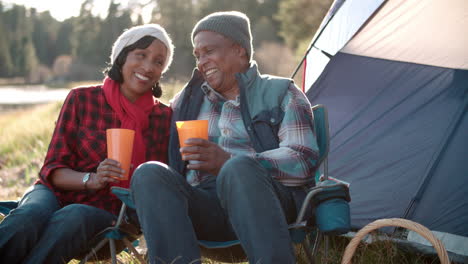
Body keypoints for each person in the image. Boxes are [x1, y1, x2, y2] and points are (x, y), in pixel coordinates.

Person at [131, 11, 319, 264]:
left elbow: (303, 158)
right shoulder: (186, 102)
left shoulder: (281, 93)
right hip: (205, 208)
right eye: (198, 55)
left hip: (267, 203)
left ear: (239, 50)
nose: (202, 61)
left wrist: (228, 161)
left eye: (209, 51)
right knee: (149, 172)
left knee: (237, 168)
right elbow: (143, 118)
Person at [0, 24, 174, 263]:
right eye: (141, 55)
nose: (148, 66)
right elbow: (53, 168)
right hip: (55, 191)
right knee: (28, 216)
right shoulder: (82, 99)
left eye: (158, 61)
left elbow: (159, 185)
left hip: (112, 211)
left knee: (72, 216)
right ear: (122, 57)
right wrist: (92, 179)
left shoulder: (164, 118)